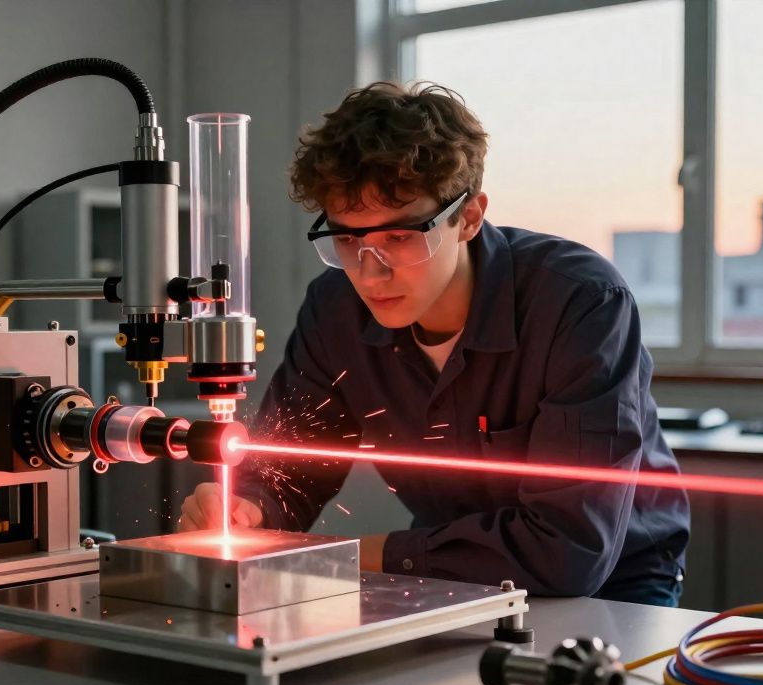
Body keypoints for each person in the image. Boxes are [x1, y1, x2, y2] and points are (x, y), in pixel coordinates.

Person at [178, 82, 689, 606]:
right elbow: (292, 468)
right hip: (448, 569)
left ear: (468, 218)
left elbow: (569, 550)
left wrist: (341, 557)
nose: (370, 274)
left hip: (612, 585)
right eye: (348, 240)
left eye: (400, 238)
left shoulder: (579, 302)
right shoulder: (335, 310)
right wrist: (249, 508)